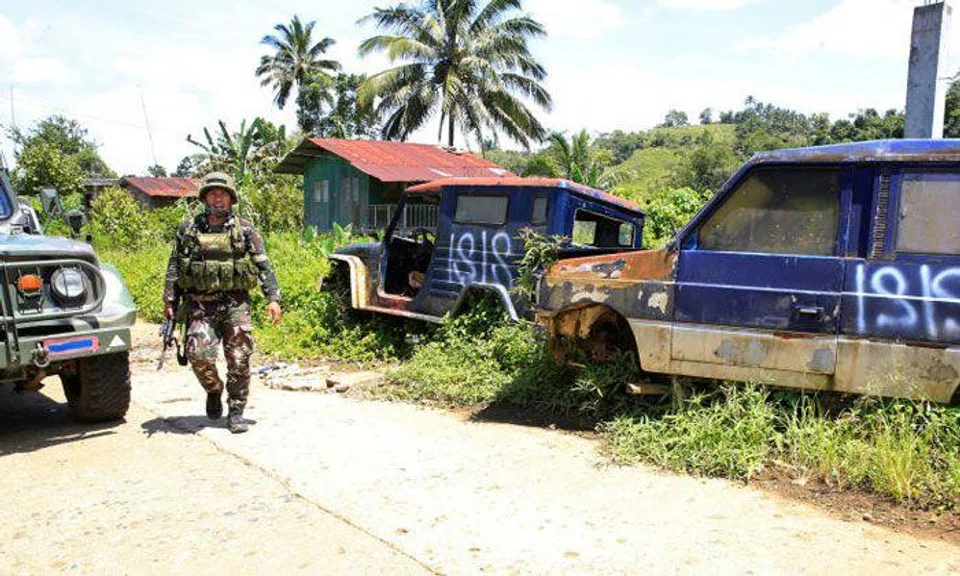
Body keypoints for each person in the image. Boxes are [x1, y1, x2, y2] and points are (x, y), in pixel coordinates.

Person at [162, 172, 282, 433]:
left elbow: (263, 265)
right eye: (213, 193)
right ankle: (214, 390)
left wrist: (273, 298)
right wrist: (169, 299)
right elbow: (175, 265)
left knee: (239, 359)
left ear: (231, 198)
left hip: (235, 304)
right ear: (205, 198)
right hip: (200, 304)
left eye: (223, 193)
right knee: (198, 356)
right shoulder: (188, 229)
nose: (218, 198)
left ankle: (236, 411)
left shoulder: (245, 229)